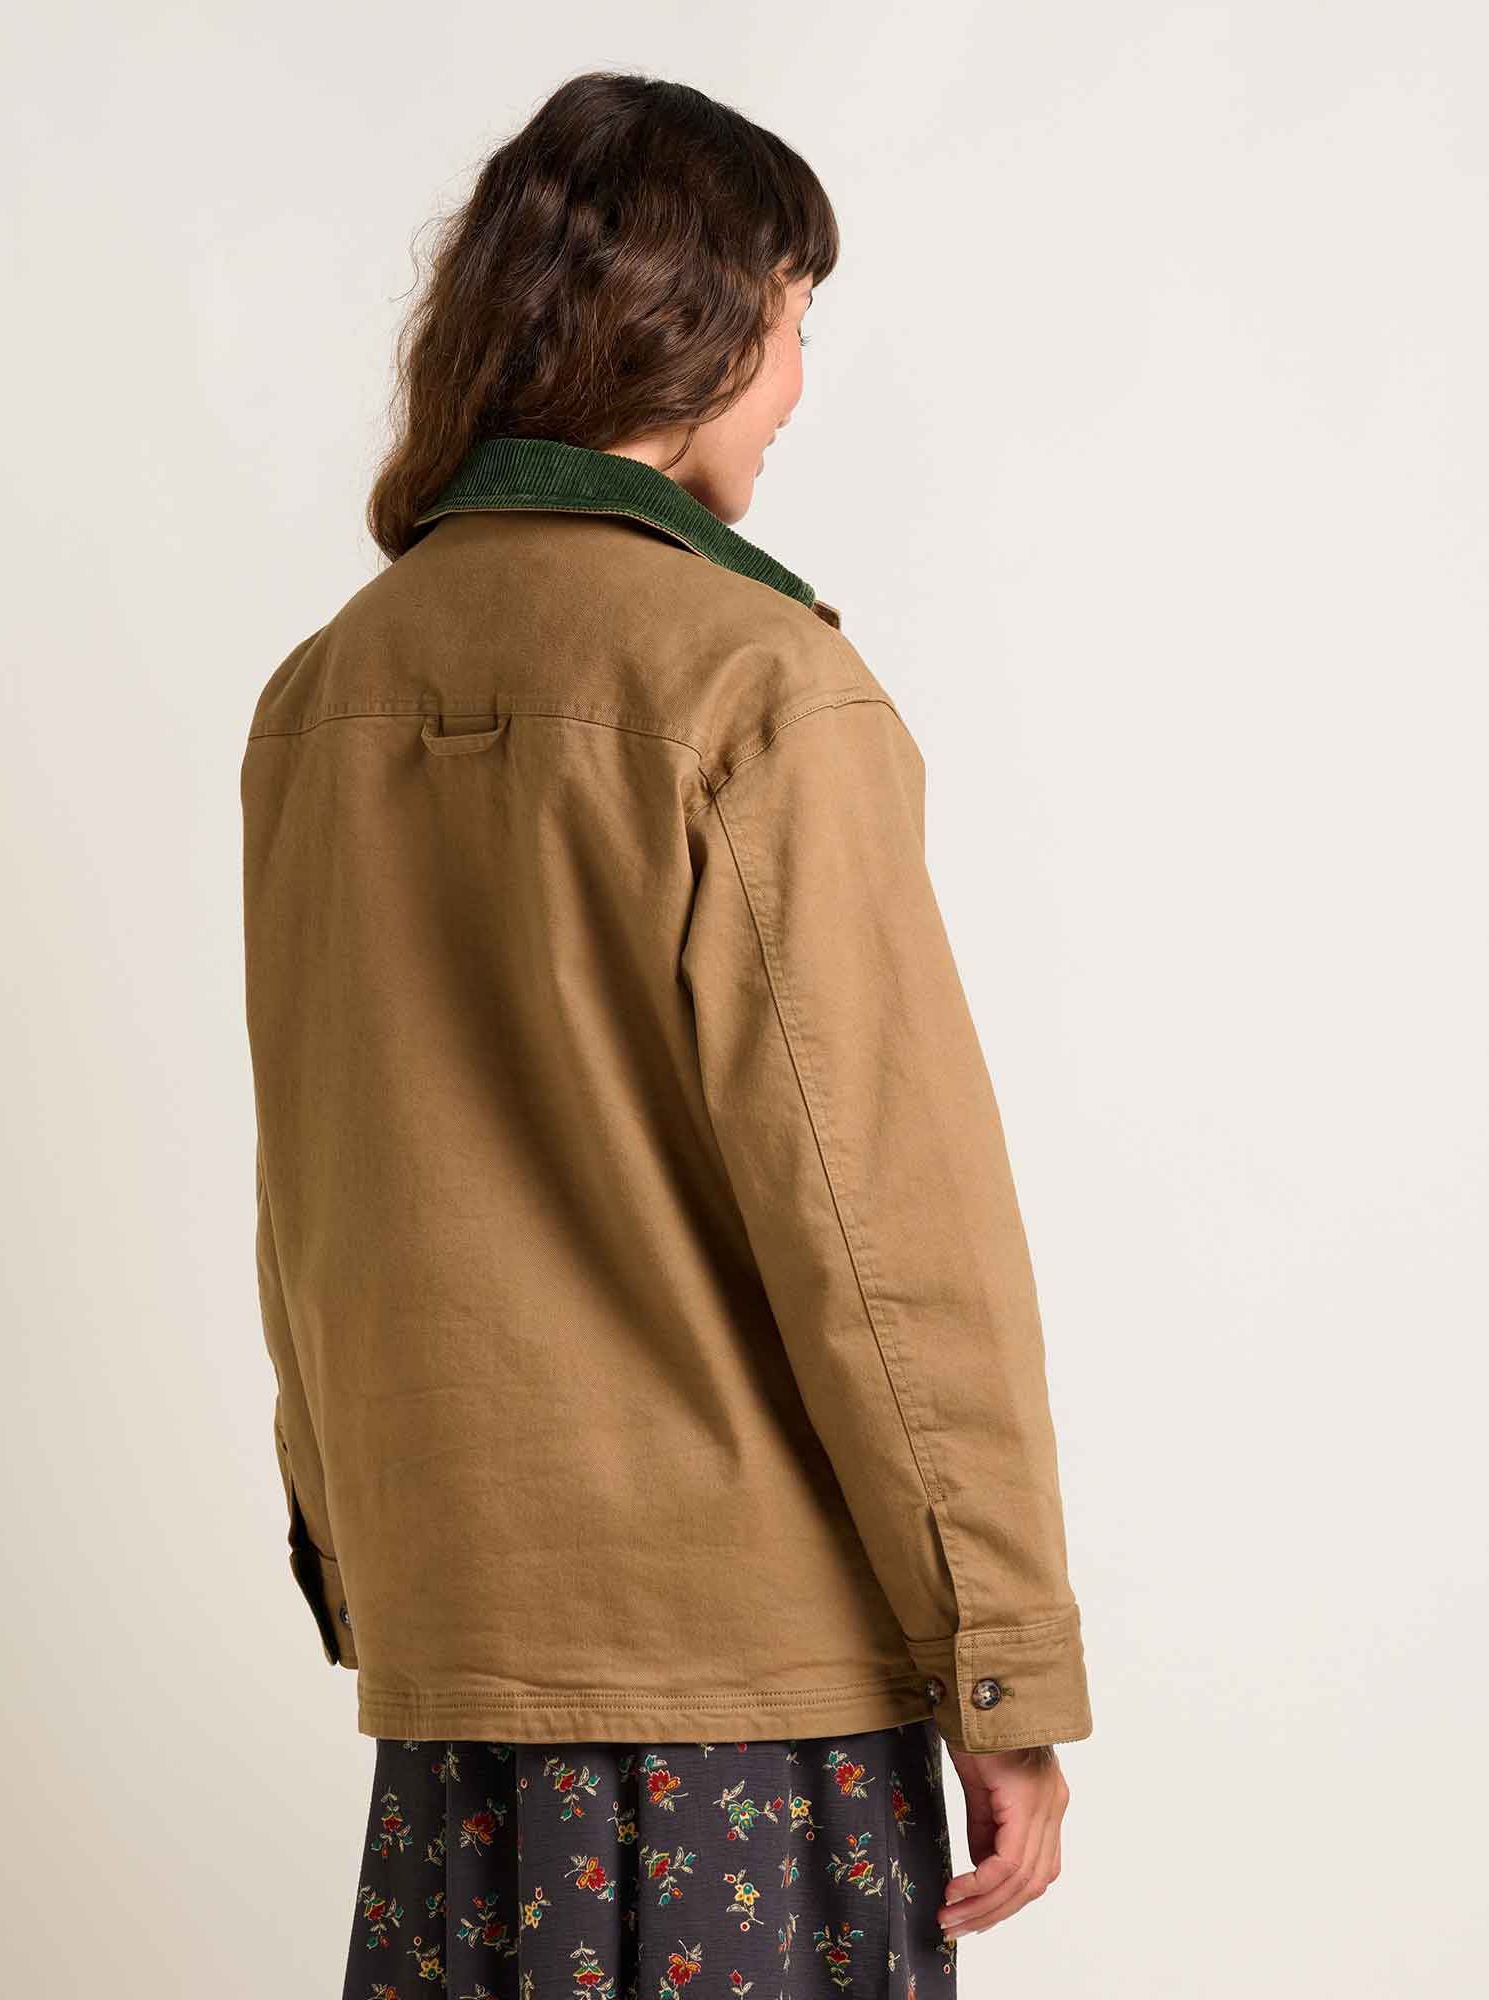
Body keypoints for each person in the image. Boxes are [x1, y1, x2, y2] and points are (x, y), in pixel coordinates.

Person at [239, 70, 1093, 2000]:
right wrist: (1004, 1662)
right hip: (751, 1699)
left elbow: (313, 1196)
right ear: (691, 330)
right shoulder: (754, 681)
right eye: (793, 322)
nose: (796, 385)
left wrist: (363, 1563)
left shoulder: (325, 693)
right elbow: (885, 1233)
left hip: (462, 1693)